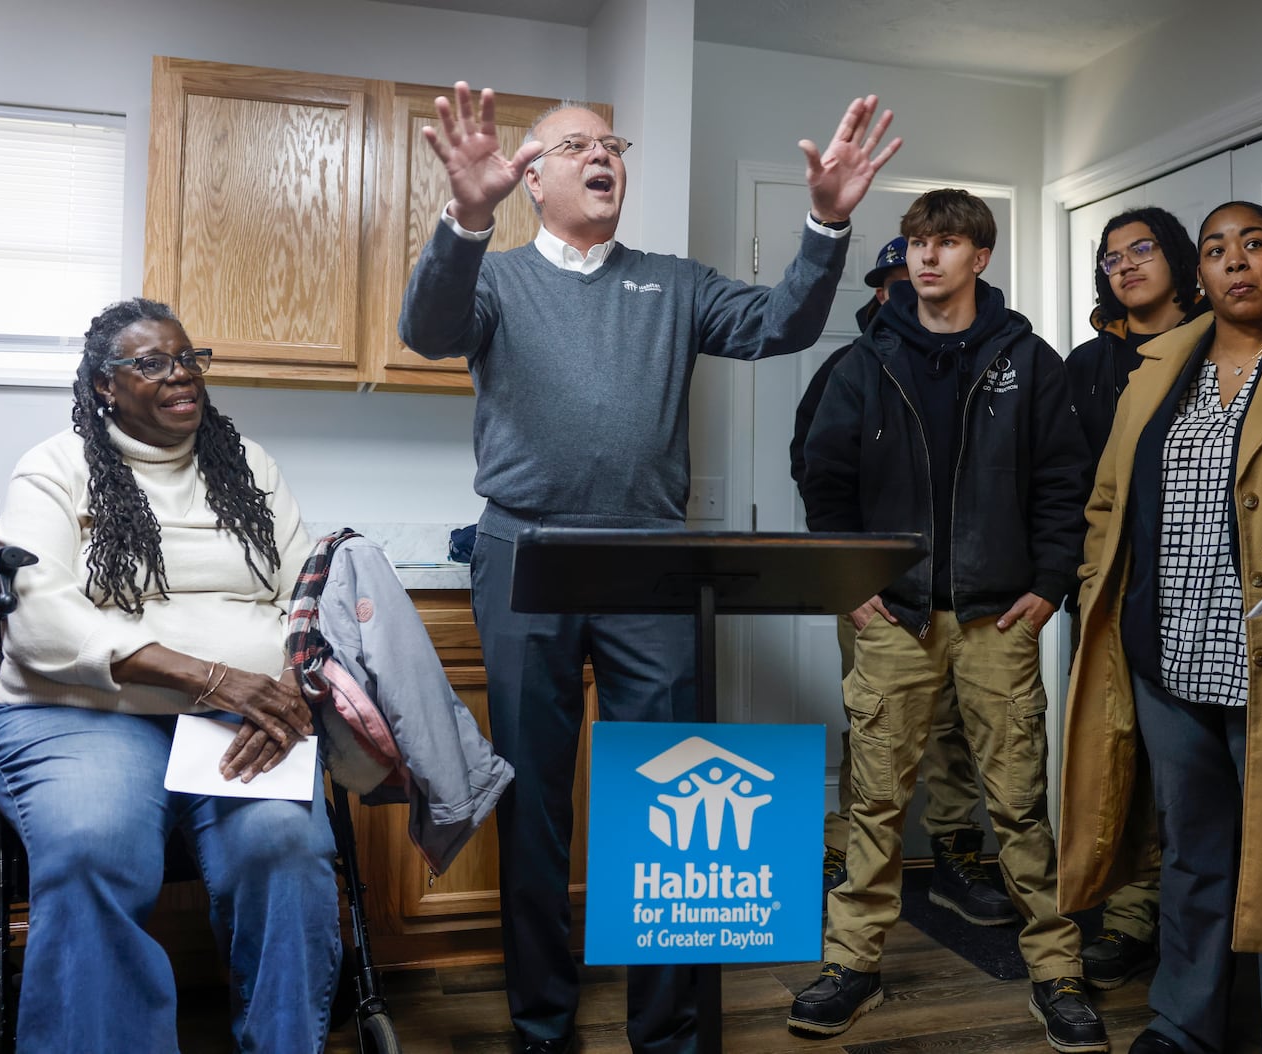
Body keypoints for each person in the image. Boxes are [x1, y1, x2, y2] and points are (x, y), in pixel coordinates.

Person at [397, 83, 900, 1054]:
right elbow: (428, 327)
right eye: (578, 146)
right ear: (531, 179)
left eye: (613, 145)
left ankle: (667, 1033)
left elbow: (782, 324)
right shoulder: (495, 280)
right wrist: (463, 220)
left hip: (652, 564)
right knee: (533, 803)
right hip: (524, 556)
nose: (604, 156)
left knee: (669, 802)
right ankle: (542, 1025)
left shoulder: (673, 284)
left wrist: (826, 226)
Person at [793, 188, 1106, 1052]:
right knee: (875, 802)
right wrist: (851, 581)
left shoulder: (1028, 361)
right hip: (894, 617)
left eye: (947, 242)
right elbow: (825, 483)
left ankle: (1056, 973)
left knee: (1020, 804)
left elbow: (1063, 483)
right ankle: (850, 965)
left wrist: (1049, 585)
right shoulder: (864, 364)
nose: (928, 257)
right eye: (917, 242)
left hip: (996, 620)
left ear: (980, 257)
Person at [0, 298, 337, 1052]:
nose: (180, 375)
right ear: (104, 385)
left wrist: (286, 688)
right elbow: (38, 616)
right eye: (151, 363)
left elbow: (304, 598)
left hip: (236, 721)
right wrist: (213, 678)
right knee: (94, 843)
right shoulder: (55, 468)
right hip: (85, 713)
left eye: (187, 359)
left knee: (287, 846)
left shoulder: (249, 467)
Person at [1059, 202, 1262, 1054]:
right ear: (1201, 274)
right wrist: (1098, 588)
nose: (1236, 261)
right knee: (1192, 849)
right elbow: (1109, 498)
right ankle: (1184, 1022)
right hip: (1169, 654)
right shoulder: (1161, 366)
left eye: (1254, 244)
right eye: (1218, 249)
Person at [794, 235, 1016, 928]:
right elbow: (815, 470)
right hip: (876, 591)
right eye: (894, 279)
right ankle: (848, 858)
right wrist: (850, 575)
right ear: (880, 292)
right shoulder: (850, 367)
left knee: (957, 731)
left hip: (968, 590)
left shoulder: (992, 360)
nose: (915, 281)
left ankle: (955, 859)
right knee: (873, 728)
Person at [1062, 206, 1205, 990]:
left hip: (1208, 585)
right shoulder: (1086, 365)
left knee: (1199, 768)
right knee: (1122, 759)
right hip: (1114, 585)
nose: (1126, 265)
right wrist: (1075, 580)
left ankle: (1212, 925)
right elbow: (1065, 480)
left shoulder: (1223, 338)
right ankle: (1130, 918)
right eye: (1112, 257)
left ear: (1177, 258)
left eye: (1141, 249)